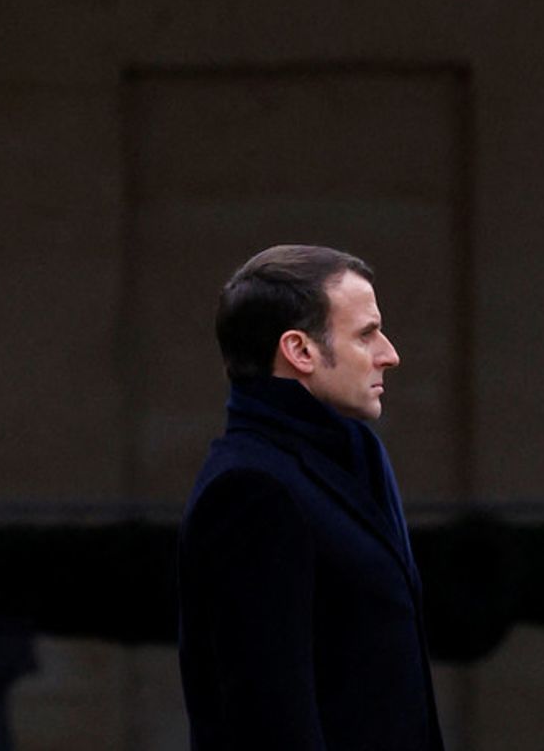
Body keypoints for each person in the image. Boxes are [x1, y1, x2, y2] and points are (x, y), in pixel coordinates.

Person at [178, 244, 445, 751]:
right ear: (300, 351)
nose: (390, 353)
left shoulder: (357, 454)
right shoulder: (251, 490)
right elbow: (267, 721)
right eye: (366, 334)